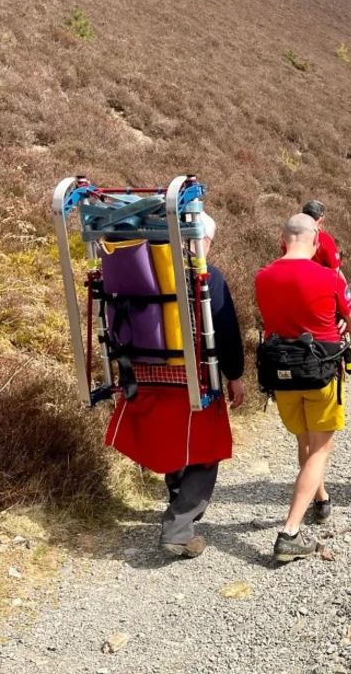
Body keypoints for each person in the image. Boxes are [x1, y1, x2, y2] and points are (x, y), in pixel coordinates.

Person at [104, 212, 245, 559]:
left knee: (170, 437)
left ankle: (177, 494)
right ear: (202, 239)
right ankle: (179, 527)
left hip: (141, 375)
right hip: (193, 379)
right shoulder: (207, 276)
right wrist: (235, 375)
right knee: (207, 449)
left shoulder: (141, 276)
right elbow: (224, 330)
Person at [256, 214, 351, 562]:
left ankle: (320, 500)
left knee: (304, 442)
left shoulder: (262, 277)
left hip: (281, 375)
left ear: (283, 240)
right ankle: (289, 532)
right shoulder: (329, 277)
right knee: (321, 449)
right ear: (316, 241)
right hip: (319, 373)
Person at [301, 200, 351, 376]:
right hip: (324, 293)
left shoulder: (291, 238)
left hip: (299, 292)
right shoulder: (325, 240)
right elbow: (336, 273)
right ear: (321, 219)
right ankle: (343, 360)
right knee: (336, 328)